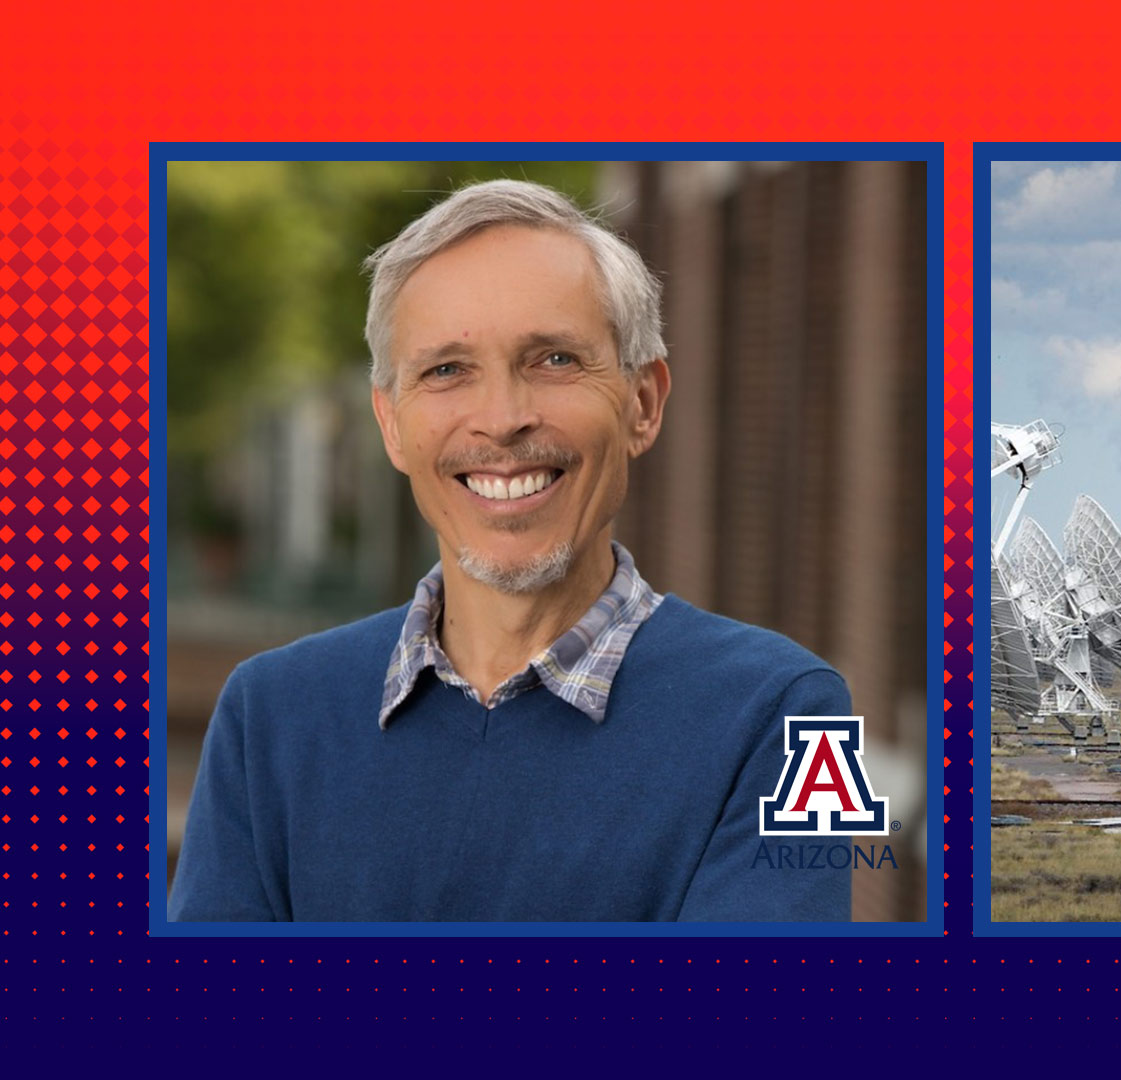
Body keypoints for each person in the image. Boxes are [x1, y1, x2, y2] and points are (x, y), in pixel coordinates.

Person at [168, 179, 852, 922]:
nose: (501, 420)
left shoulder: (795, 722)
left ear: (643, 404)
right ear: (393, 424)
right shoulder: (268, 719)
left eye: (554, 359)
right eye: (446, 370)